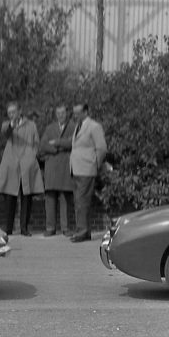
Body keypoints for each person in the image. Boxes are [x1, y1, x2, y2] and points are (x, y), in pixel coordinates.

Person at [0, 101, 44, 236]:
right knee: (10, 197)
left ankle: (24, 228)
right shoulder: (7, 125)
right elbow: (5, 132)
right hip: (11, 164)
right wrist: (12, 124)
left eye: (13, 112)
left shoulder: (31, 125)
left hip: (26, 164)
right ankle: (8, 228)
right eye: (9, 112)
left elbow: (36, 142)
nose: (11, 114)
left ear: (20, 111)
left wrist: (31, 156)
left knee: (26, 197)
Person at [69, 102, 107, 243]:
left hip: (86, 169)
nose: (75, 115)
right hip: (76, 168)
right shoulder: (77, 126)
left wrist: (95, 164)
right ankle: (84, 230)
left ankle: (82, 231)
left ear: (86, 111)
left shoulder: (94, 126)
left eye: (78, 112)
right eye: (74, 113)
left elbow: (102, 148)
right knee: (78, 201)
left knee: (82, 201)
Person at [38, 104, 76, 237]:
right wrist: (56, 149)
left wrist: (57, 142)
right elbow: (43, 145)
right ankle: (50, 227)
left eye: (63, 113)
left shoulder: (73, 127)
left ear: (67, 113)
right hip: (51, 167)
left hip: (65, 166)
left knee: (65, 197)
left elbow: (73, 143)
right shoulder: (49, 128)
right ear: (55, 114)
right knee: (50, 198)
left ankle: (66, 228)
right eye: (58, 113)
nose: (61, 115)